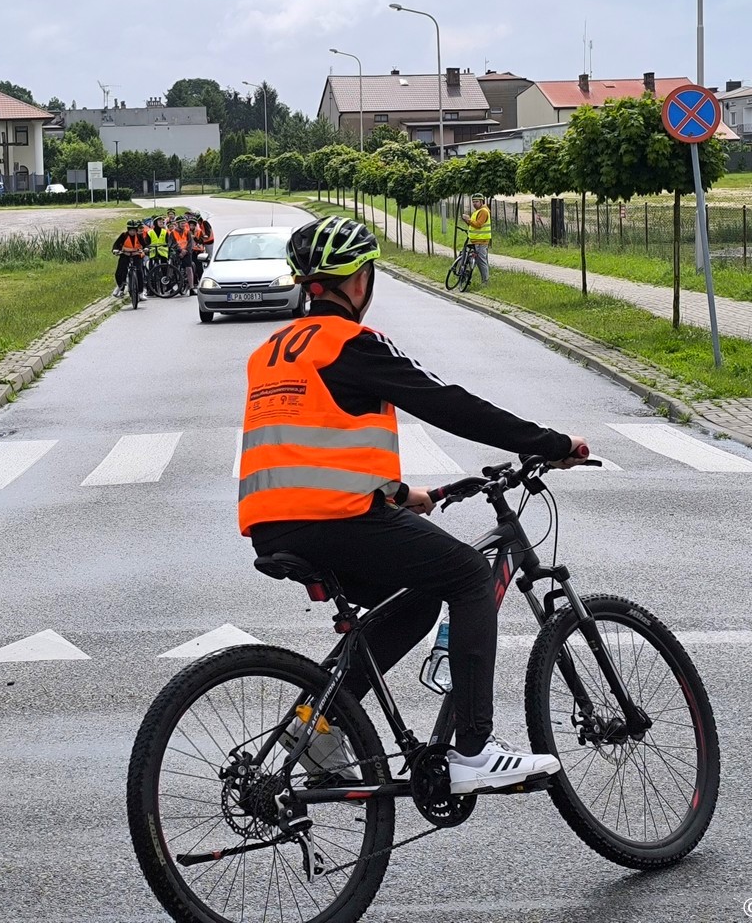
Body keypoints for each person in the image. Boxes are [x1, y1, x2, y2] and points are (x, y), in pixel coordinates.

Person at [238, 215, 588, 793]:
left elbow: (311, 444)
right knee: (471, 575)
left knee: (420, 597)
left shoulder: (272, 351)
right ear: (359, 281)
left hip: (274, 525)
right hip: (336, 520)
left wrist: (401, 495)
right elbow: (447, 403)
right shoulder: (351, 344)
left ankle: (316, 721)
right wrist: (550, 443)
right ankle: (473, 751)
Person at [110, 219, 148, 299]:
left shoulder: (139, 236)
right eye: (131, 230)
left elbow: (144, 244)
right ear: (128, 230)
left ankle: (140, 293)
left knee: (139, 272)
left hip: (136, 255)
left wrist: (146, 248)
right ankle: (120, 286)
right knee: (119, 272)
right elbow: (116, 244)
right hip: (125, 255)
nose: (132, 232)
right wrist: (115, 250)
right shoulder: (123, 235)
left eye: (134, 230)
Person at [461, 194, 492, 287]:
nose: (474, 203)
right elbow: (473, 226)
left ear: (482, 201)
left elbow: (478, 225)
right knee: (470, 260)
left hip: (481, 241)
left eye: (476, 201)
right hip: (475, 241)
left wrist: (468, 220)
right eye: (473, 202)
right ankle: (467, 278)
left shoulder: (483, 211)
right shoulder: (477, 211)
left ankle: (485, 282)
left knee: (481, 261)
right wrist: (467, 221)